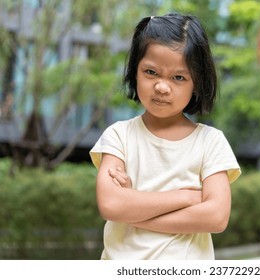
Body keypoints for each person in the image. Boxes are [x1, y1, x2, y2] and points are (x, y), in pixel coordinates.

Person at [90, 13, 241, 260]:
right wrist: (186, 197)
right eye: (151, 72)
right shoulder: (119, 136)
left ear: (197, 83)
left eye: (178, 77)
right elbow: (111, 205)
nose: (162, 86)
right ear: (134, 71)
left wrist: (134, 211)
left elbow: (216, 217)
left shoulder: (210, 142)